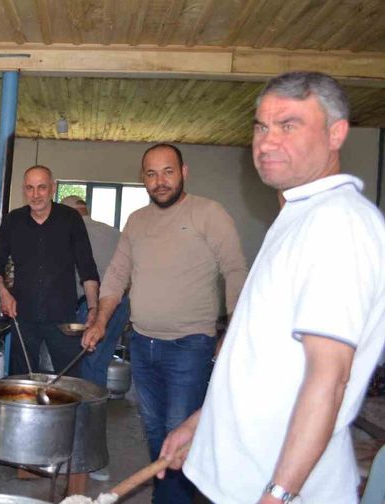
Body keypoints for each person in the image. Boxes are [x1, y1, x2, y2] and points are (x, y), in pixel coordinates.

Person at [160, 72, 385, 504]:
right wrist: (205, 422)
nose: (266, 142)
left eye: (289, 125)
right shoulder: (298, 215)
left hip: (270, 488)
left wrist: (277, 494)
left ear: (336, 133)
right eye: (261, 126)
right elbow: (266, 361)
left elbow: (329, 378)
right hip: (239, 478)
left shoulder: (338, 224)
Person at [82, 143, 248, 503]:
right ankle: (169, 495)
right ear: (143, 178)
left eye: (168, 171)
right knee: (156, 433)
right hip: (142, 344)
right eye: (152, 174)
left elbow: (236, 272)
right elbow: (116, 276)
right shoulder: (137, 221)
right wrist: (100, 321)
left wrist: (233, 332)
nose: (160, 181)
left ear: (184, 172)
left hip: (189, 346)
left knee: (180, 436)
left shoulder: (209, 213)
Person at [0, 166, 99, 378]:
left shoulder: (70, 219)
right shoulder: (13, 221)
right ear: (24, 190)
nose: (36, 194)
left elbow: (87, 268)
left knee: (69, 378)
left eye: (41, 188)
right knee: (21, 377)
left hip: (62, 317)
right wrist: (4, 292)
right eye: (30, 188)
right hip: (23, 314)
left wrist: (93, 308)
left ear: (53, 188)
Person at [60, 195, 127, 389]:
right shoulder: (114, 232)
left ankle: (85, 411)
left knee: (86, 361)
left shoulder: (70, 233)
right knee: (101, 361)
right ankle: (96, 409)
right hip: (120, 305)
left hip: (92, 307)